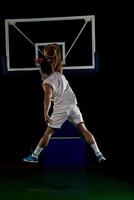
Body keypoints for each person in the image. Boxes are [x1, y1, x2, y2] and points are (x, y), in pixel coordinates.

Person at [23, 44, 106, 164]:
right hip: (73, 106)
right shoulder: (60, 73)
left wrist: (46, 114)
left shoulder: (46, 83)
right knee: (84, 130)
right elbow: (57, 62)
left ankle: (34, 156)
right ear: (52, 66)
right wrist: (55, 52)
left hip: (61, 108)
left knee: (48, 132)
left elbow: (47, 98)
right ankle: (99, 154)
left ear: (42, 70)